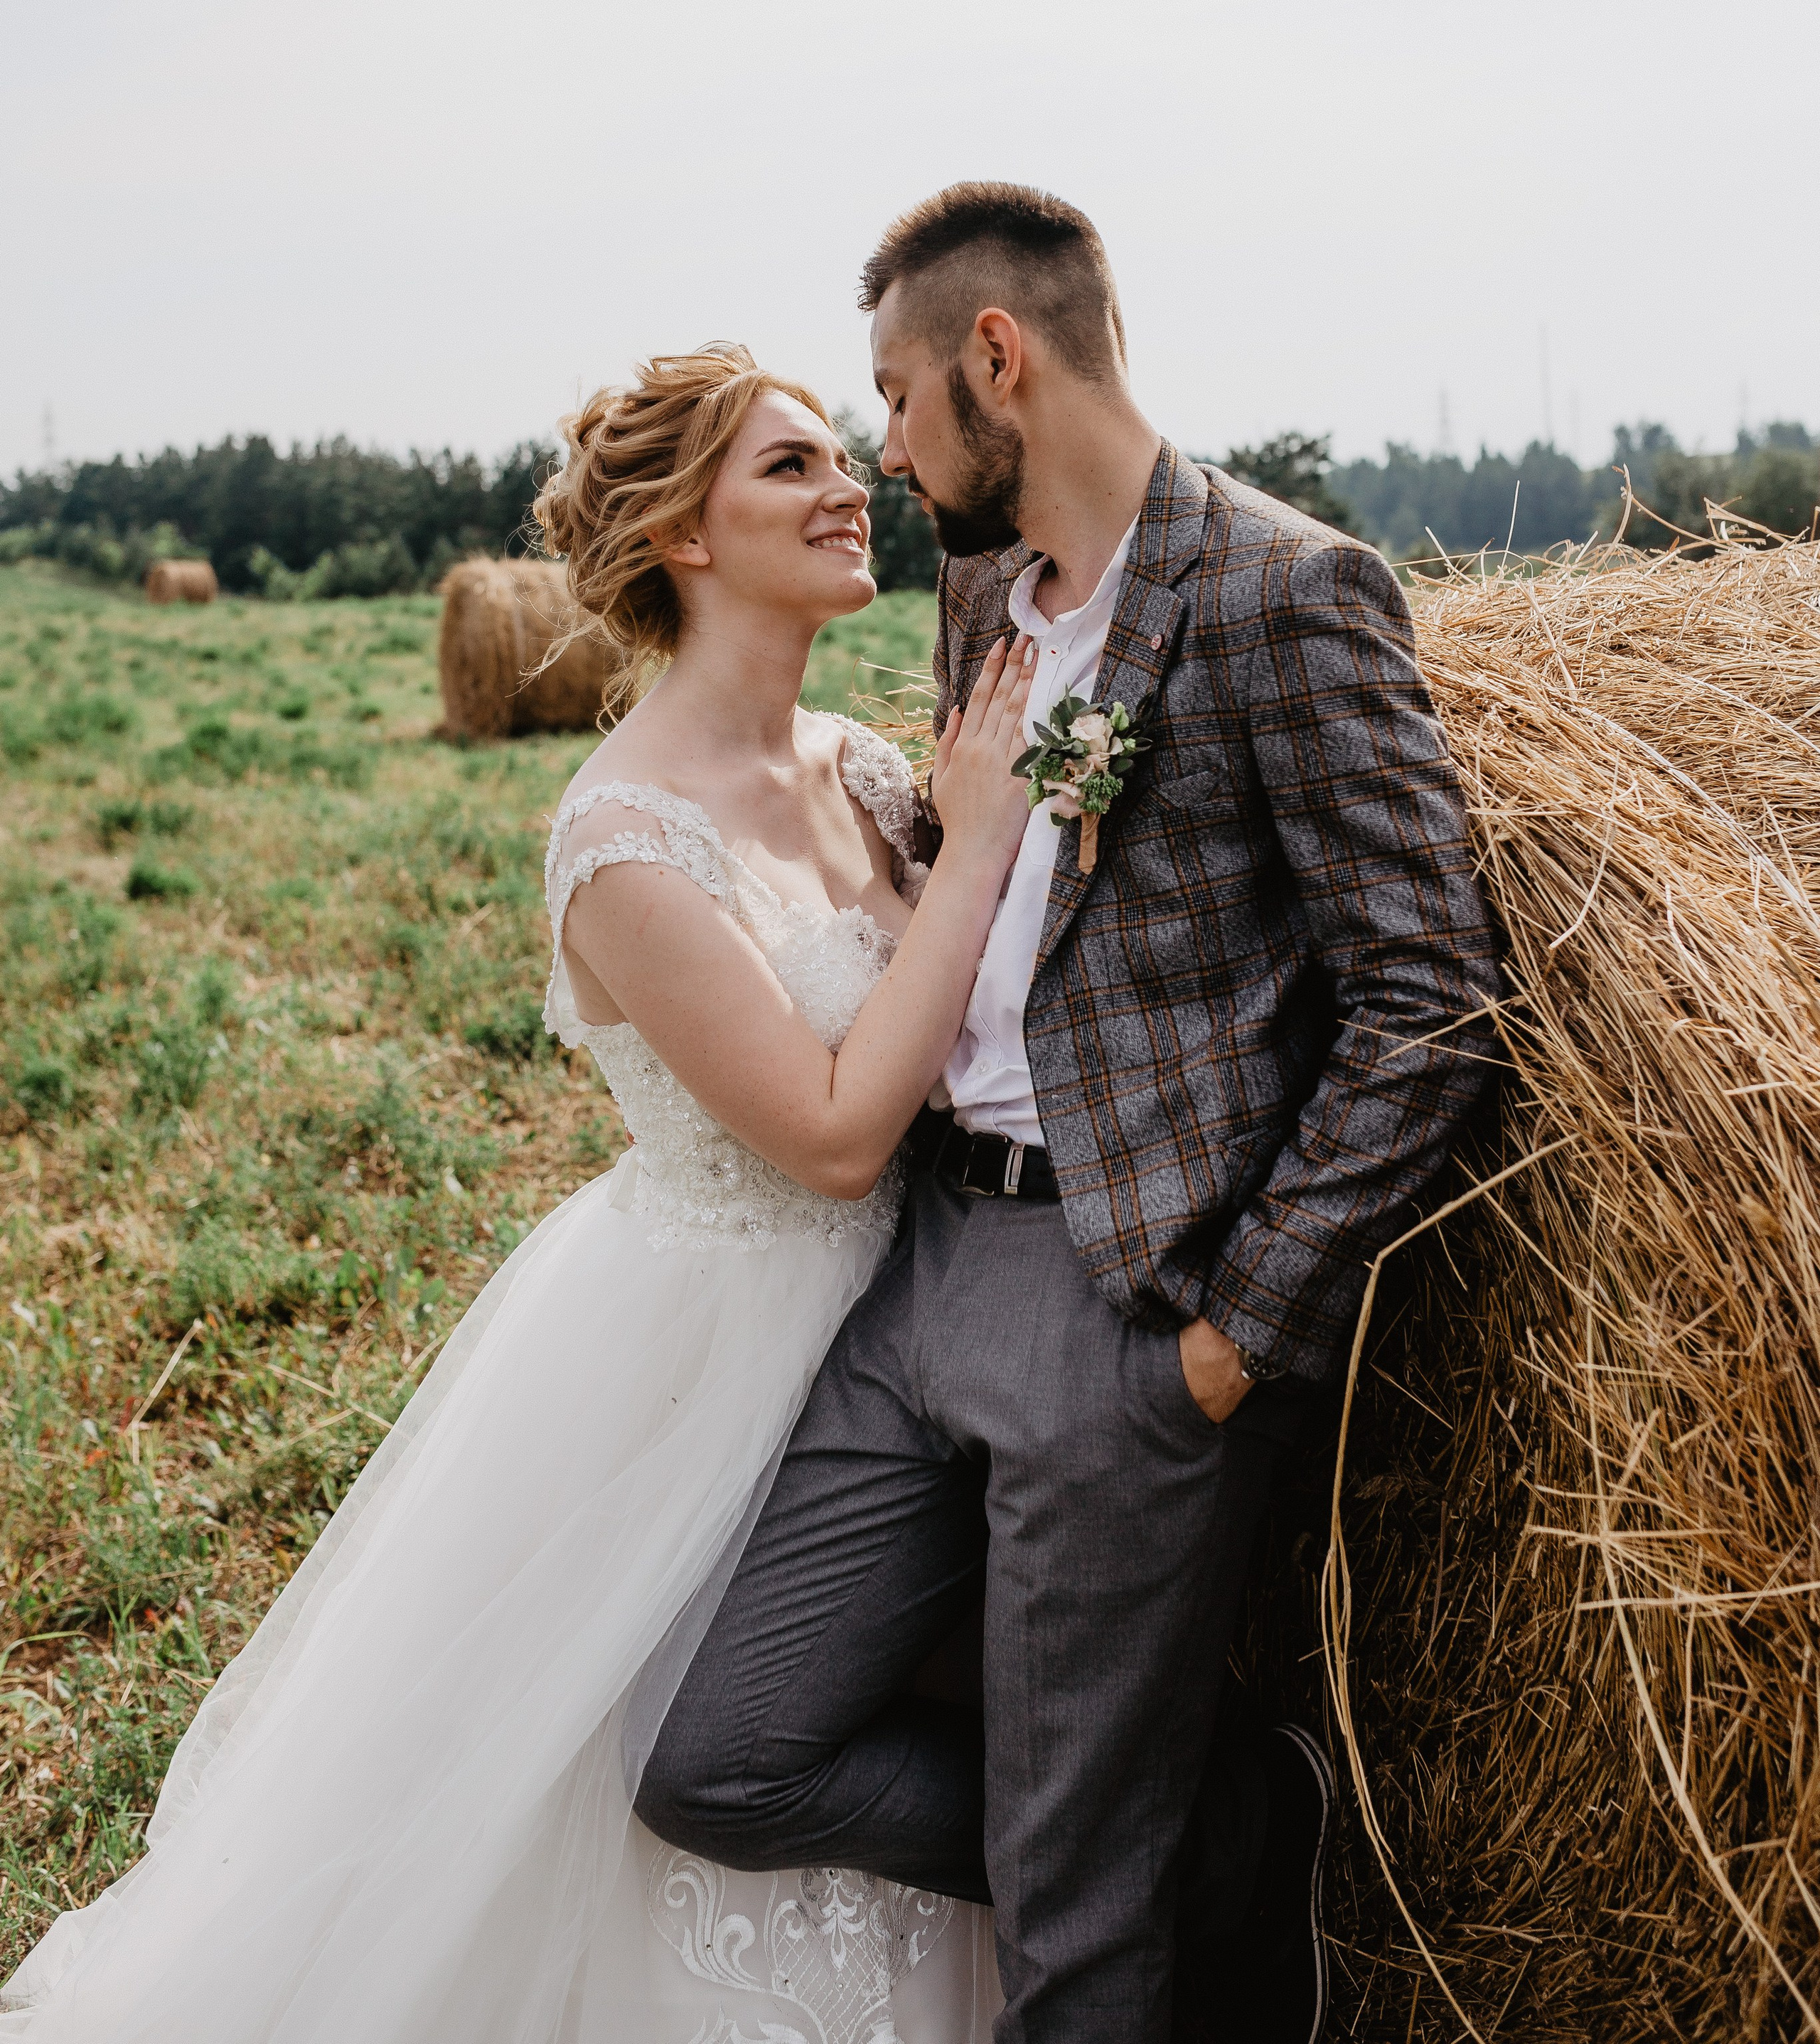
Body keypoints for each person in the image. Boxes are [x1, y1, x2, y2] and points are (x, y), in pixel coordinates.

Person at [0, 344, 1034, 2044]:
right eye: (790, 466)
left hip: (911, 1307)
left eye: (841, 454)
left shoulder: (860, 768)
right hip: (719, 1344)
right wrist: (981, 845)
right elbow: (838, 1136)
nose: (852, 482)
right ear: (680, 535)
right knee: (678, 1748)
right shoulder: (627, 841)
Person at [636, 186, 1503, 2044]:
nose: (883, 446)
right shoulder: (980, 589)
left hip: (1125, 1313)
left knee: (1072, 1944)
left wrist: (1228, 1343)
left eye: (895, 394)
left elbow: (1432, 997)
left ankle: (1140, 1853)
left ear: (998, 360)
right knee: (720, 1755)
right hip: (922, 1260)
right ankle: (1233, 1829)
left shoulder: (1288, 594)